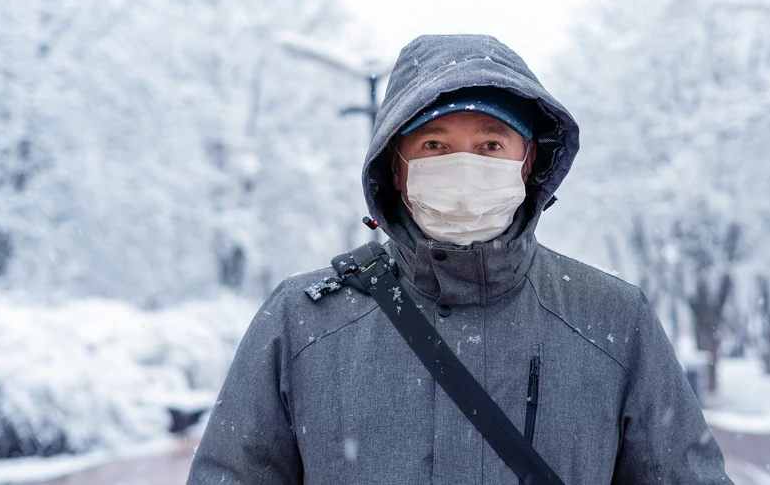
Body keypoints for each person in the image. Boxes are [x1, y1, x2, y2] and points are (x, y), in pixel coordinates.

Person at [187, 34, 733, 484]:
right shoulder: (303, 320)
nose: (464, 167)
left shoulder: (612, 318)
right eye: (434, 146)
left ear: (528, 162)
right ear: (395, 167)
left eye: (492, 145)